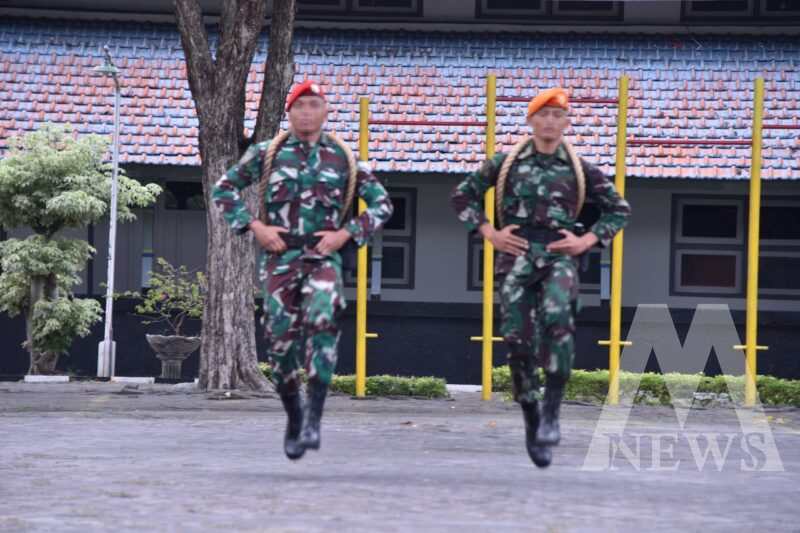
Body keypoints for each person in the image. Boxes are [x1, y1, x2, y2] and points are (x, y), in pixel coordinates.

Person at [212, 80, 393, 460]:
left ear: (326, 112)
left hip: (323, 257)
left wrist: (346, 233)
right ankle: (294, 415)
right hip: (280, 259)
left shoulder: (343, 157)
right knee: (280, 344)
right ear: (289, 113)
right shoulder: (268, 153)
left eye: (314, 105)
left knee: (323, 320)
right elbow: (223, 189)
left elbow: (381, 205)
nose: (307, 112)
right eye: (300, 106)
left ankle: (315, 416)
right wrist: (254, 226)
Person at [450, 87, 631, 468]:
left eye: (557, 115)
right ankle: (532, 414)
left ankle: (552, 410)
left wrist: (586, 241)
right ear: (530, 120)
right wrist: (490, 233)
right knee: (517, 341)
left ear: (567, 123)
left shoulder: (580, 169)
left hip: (558, 255)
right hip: (515, 257)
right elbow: (463, 196)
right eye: (542, 115)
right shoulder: (507, 163)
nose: (549, 121)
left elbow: (618, 210)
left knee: (559, 322)